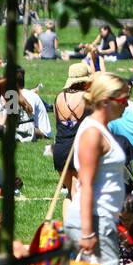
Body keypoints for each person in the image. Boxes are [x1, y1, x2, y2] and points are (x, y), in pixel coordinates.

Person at [59, 72, 132, 265]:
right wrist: (88, 232)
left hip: (102, 220)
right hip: (92, 221)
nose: (127, 104)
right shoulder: (91, 132)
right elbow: (84, 183)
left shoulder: (102, 129)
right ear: (105, 101)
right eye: (123, 99)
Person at [52, 63, 91, 199]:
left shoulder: (59, 98)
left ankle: (68, 220)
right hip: (79, 150)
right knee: (78, 193)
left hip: (60, 150)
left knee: (70, 193)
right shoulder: (88, 98)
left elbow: (57, 123)